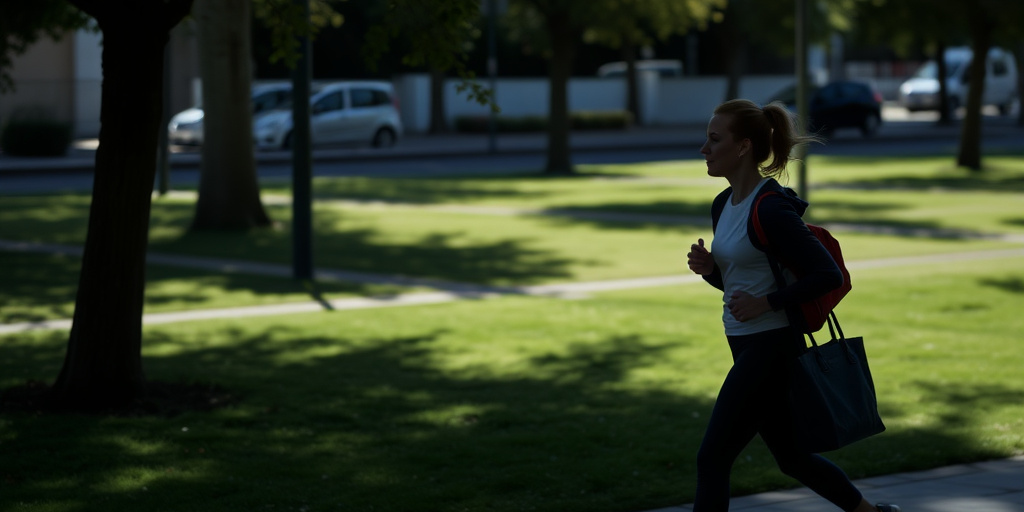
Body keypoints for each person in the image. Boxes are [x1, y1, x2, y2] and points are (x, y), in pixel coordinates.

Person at [685, 99, 900, 512]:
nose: (704, 149)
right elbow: (739, 286)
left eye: (714, 139)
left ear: (744, 146)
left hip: (773, 347)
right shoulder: (722, 204)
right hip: (745, 342)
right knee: (792, 458)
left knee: (712, 458)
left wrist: (767, 302)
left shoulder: (772, 208)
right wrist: (711, 270)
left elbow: (827, 275)